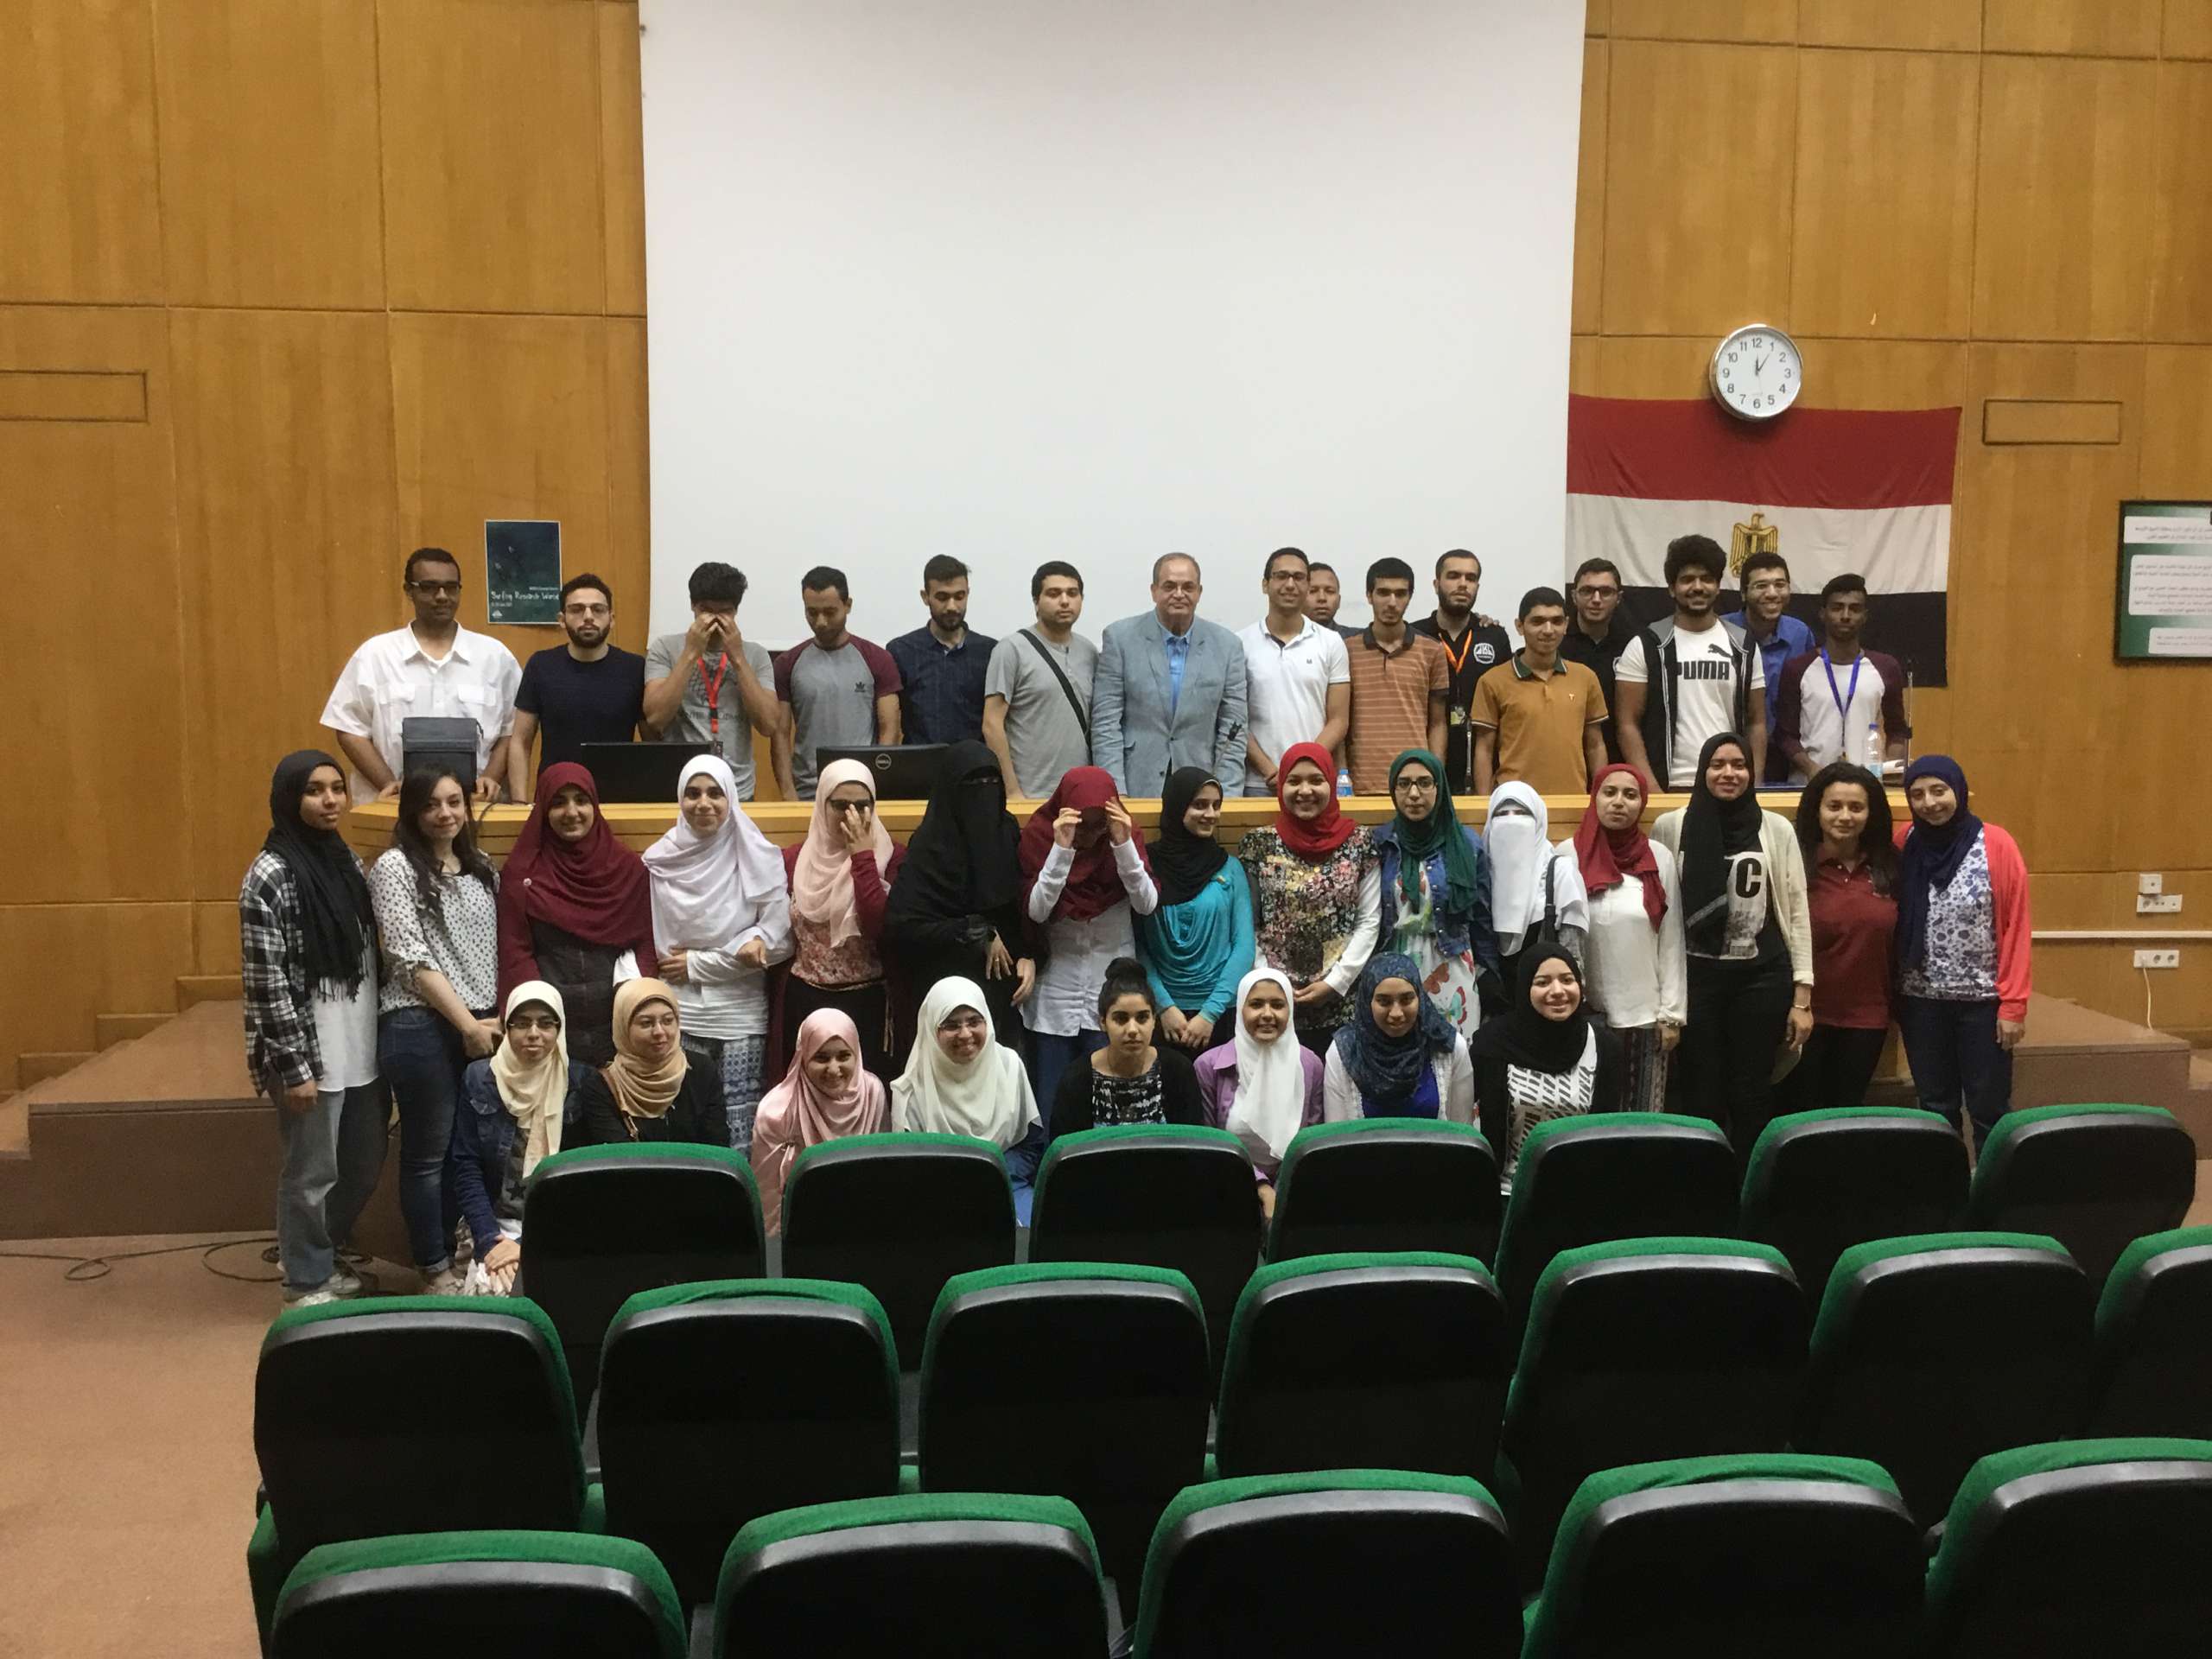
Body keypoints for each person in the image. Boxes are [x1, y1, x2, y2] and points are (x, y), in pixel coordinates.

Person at [241, 751, 390, 1306]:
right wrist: (292, 1067)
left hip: (360, 1044)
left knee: (364, 1162)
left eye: (336, 788)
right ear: (289, 798)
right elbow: (267, 981)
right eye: (314, 790)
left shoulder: (346, 859)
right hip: (309, 1051)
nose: (330, 800)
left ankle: (322, 1253)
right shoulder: (270, 874)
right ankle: (305, 1278)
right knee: (310, 1173)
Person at [368, 766, 501, 1291]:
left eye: (454, 802)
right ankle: (432, 1264)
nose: (445, 813)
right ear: (412, 812)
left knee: (463, 1151)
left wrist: (489, 1018)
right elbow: (410, 957)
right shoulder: (395, 867)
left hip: (478, 1023)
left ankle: (460, 1250)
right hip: (421, 1023)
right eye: (431, 804)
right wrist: (466, 1024)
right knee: (428, 1153)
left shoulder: (481, 866)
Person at [1649, 734, 1813, 1157]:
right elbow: (1661, 908)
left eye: (1739, 765)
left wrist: (1802, 996)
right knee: (1700, 1090)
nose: (1729, 773)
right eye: (1717, 764)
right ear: (1702, 771)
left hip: (1761, 978)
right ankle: (1707, 1181)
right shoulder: (1671, 826)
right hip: (1696, 980)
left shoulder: (1775, 828)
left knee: (1752, 1090)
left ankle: (1750, 1182)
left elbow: (1796, 911)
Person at [640, 756, 793, 1152]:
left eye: (715, 793)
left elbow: (779, 944)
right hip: (680, 1016)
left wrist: (698, 964)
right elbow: (665, 955)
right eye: (692, 793)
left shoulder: (760, 855)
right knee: (683, 1130)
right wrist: (739, 951)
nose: (703, 803)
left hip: (741, 1017)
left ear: (731, 799)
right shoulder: (660, 860)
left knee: (741, 1133)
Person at [1892, 756, 2031, 1148]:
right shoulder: (1904, 843)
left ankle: (1991, 1182)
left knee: (1989, 1107)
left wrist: (2013, 1006)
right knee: (1935, 1107)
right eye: (1918, 794)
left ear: (1959, 790)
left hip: (1982, 1003)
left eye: (1939, 791)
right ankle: (1946, 1182)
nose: (1929, 803)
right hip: (1921, 1001)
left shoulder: (1996, 844)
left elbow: (2016, 926)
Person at [321, 547, 520, 804]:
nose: (442, 596)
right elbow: (349, 728)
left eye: (451, 587)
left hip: (474, 807)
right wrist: (389, 784)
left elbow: (512, 730)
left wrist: (490, 778)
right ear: (409, 591)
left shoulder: (495, 656)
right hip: (393, 808)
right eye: (429, 587)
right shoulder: (375, 655)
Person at [1019, 766, 1160, 1122]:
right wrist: (1062, 849)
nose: (1091, 834)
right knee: (1052, 1104)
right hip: (1055, 992)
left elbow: (1146, 903)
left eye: (1100, 824)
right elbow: (1037, 910)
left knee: (1109, 1106)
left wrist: (1123, 846)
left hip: (1112, 993)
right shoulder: (1041, 835)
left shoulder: (1124, 835)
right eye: (1084, 824)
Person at [881, 741, 1037, 1060]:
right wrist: (976, 931)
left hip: (1000, 993)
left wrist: (1029, 956)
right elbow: (903, 925)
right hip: (944, 992)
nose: (983, 793)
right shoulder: (930, 847)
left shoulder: (1005, 831)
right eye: (973, 785)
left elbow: (1017, 908)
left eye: (991, 782)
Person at [496, 762, 658, 1066]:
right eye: (558, 802)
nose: (571, 812)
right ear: (543, 809)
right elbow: (515, 952)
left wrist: (636, 1009)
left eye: (581, 800)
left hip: (617, 1029)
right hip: (549, 1031)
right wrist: (537, 1023)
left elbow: (645, 943)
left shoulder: (627, 869)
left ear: (595, 805)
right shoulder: (523, 873)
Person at [448, 982, 592, 1296]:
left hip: (558, 1225)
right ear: (507, 1028)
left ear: (559, 1029)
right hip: (494, 1223)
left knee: (555, 1295)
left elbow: (583, 1183)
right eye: (522, 1023)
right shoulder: (480, 1078)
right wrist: (489, 1241)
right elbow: (466, 1167)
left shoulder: (580, 1082)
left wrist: (527, 1244)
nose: (534, 1033)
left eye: (545, 1023)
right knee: (493, 1295)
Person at [1239, 742, 1382, 1054]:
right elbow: (1248, 923)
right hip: (1273, 1005)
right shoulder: (1258, 844)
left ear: (1331, 783)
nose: (1305, 790)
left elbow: (1369, 921)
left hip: (1344, 999)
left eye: (1316, 780)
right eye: (1294, 781)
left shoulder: (1360, 842)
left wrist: (1336, 982)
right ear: (1281, 786)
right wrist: (1271, 982)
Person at [779, 758, 906, 1079]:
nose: (852, 815)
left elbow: (878, 925)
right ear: (822, 805)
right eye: (840, 805)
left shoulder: (893, 858)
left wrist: (862, 857)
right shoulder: (793, 859)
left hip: (868, 1002)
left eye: (863, 805)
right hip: (806, 998)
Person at [1572, 764, 1685, 1114]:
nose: (1619, 802)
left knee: (1643, 1116)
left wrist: (1672, 1014)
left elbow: (1671, 938)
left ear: (1642, 803)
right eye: (1609, 792)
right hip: (1585, 1012)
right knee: (1590, 1117)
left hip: (1646, 1015)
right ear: (1595, 797)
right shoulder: (1568, 855)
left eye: (1630, 795)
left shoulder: (1658, 857)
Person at [1614, 535, 1765, 792]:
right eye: (1687, 579)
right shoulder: (1646, 645)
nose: (1697, 587)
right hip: (1670, 785)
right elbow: (1627, 724)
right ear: (1672, 588)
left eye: (1706, 579)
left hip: (1728, 785)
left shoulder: (1744, 646)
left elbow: (1757, 723)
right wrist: (1652, 789)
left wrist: (1752, 784)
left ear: (1718, 586)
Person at [1787, 762, 1898, 1112]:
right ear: (1817, 810)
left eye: (1856, 807)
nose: (1845, 816)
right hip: (1804, 1017)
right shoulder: (1795, 865)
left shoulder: (1890, 866)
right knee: (1800, 1115)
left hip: (1868, 1018)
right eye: (1834, 806)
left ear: (1870, 814)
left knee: (1847, 1113)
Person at [1466, 946, 1624, 1191]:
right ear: (1524, 988)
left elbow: (1607, 1132)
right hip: (1506, 1190)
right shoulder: (1492, 1044)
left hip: (1581, 1188)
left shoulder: (1605, 1047)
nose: (1558, 991)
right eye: (1543, 982)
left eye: (1567, 980)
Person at [1091, 553, 1249, 796]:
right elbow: (1106, 723)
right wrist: (1114, 790)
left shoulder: (1227, 646)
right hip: (1135, 782)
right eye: (1169, 586)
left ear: (1199, 592)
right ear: (1154, 591)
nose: (1179, 594)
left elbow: (1233, 729)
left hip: (1201, 784)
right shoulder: (1120, 638)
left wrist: (1227, 794)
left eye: (1188, 587)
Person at [1371, 748, 1500, 1041]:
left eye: (1424, 783)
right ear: (1393, 790)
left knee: (1454, 1051)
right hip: (1393, 964)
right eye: (1404, 784)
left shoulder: (1466, 844)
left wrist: (1490, 974)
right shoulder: (1380, 843)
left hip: (1451, 961)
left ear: (1439, 787)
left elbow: (1481, 916)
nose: (1414, 794)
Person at [893, 976, 1045, 1219]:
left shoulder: (1009, 1066)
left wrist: (993, 1174)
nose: (965, 1034)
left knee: (1031, 1231)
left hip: (1007, 1184)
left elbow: (1031, 1146)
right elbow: (911, 1171)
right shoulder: (912, 1090)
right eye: (951, 1025)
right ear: (932, 1029)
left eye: (974, 1021)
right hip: (940, 1197)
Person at [643, 561, 785, 802]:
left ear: (736, 610)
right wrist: (691, 653)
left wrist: (737, 657)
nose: (715, 621)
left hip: (738, 791)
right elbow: (656, 718)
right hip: (683, 787)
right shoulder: (665, 648)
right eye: (706, 610)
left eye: (725, 612)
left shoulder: (755, 654)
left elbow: (769, 725)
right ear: (693, 606)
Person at [1136, 768, 1255, 1054]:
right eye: (1200, 805)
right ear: (1177, 806)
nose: (1211, 814)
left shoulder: (1230, 868)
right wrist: (1164, 1006)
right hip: (1161, 1015)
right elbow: (1137, 944)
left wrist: (1210, 1013)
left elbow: (1243, 946)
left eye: (1216, 805)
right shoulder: (1146, 867)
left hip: (1220, 1014)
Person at [1195, 967, 1325, 1213]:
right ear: (1240, 1010)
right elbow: (1211, 1143)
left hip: (1295, 1191)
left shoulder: (1309, 1065)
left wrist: (1281, 1190)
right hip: (1229, 1188)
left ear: (1290, 1010)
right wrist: (1261, 1186)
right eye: (1256, 1005)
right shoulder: (1209, 1066)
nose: (1267, 1014)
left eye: (1277, 1005)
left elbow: (1311, 1140)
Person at [751, 1007, 889, 1236]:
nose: (833, 1070)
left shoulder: (872, 1092)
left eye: (843, 1056)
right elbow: (768, 1202)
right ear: (803, 1057)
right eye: (821, 1058)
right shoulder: (777, 1111)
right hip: (800, 1229)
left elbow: (881, 1172)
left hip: (863, 1223)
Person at [507, 572, 645, 799]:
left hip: (617, 801)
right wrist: (519, 804)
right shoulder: (541, 665)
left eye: (598, 609)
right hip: (555, 800)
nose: (588, 617)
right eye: (577, 610)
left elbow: (650, 742)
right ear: (562, 619)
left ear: (612, 619)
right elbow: (520, 742)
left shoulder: (635, 668)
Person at [774, 566, 902, 799]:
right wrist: (788, 792)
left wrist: (877, 785)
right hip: (808, 791)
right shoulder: (787, 663)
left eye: (830, 612)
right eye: (812, 613)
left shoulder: (877, 659)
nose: (821, 622)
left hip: (861, 788)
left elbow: (889, 731)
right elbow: (780, 734)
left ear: (848, 605)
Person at [1773, 575, 1912, 782]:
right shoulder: (1797, 668)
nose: (1846, 615)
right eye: (1837, 608)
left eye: (1854, 609)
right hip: (1809, 783)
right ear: (1823, 614)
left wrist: (1891, 770)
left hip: (1866, 783)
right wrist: (1812, 769)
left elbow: (1897, 730)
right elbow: (1785, 735)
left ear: (1865, 616)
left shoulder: (1886, 667)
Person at [1471, 587, 1609, 796]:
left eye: (1556, 621)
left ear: (1566, 625)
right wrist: (1484, 805)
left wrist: (1600, 797)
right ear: (1520, 626)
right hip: (1514, 802)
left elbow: (1595, 745)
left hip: (1573, 801)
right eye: (1537, 621)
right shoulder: (1492, 681)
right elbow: (1484, 750)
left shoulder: (1585, 677)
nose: (1548, 630)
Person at [1238, 547, 1351, 796]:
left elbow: (1339, 720)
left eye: (1298, 577)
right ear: (1265, 584)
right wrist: (1269, 770)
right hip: (1259, 782)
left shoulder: (1331, 642)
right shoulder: (1240, 644)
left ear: (1307, 585)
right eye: (1281, 576)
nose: (1290, 584)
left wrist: (1304, 766)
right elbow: (1235, 719)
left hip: (1315, 780)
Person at [1051, 959, 1206, 1135]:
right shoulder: (1077, 1078)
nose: (1132, 1030)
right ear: (1103, 1022)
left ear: (1154, 1021)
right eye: (1121, 1019)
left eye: (1142, 1018)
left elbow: (1193, 1143)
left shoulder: (1178, 1070)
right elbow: (1064, 1148)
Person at [982, 561, 1096, 800]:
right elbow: (992, 724)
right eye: (1054, 594)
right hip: (1030, 793)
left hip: (1079, 791)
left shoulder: (1089, 652)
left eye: (1072, 593)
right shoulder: (1011, 649)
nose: (1064, 601)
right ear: (1036, 602)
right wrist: (1012, 790)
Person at [1322, 954, 1476, 1123]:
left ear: (1420, 998)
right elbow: (1337, 1134)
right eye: (1384, 1002)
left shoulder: (1448, 1046)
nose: (1396, 1013)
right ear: (1367, 1001)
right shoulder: (1344, 1051)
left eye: (1406, 1000)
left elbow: (1461, 1131)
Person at [575, 978, 727, 1146]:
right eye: (646, 1023)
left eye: (668, 1021)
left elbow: (718, 1147)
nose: (659, 1032)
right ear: (623, 1027)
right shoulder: (600, 1087)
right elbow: (620, 1156)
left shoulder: (702, 1070)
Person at [1344, 557, 1450, 795]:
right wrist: (1342, 776)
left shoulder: (1432, 650)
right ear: (1369, 595)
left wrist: (1435, 776)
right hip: (1361, 784)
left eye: (1400, 594)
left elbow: (1438, 723)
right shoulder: (1346, 649)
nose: (1392, 602)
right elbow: (1340, 721)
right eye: (1383, 593)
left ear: (1410, 597)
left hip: (1415, 786)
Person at [1411, 549, 1512, 791]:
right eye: (1454, 576)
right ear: (1436, 584)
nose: (1463, 584)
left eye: (1471, 578)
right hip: (1427, 757)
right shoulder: (1415, 636)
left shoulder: (1494, 636)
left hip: (1484, 761)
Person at [1484, 781, 1589, 991]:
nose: (1511, 820)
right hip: (1493, 1001)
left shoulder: (1561, 872)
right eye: (1501, 814)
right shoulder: (1480, 872)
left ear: (1539, 820)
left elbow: (1572, 957)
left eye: (1522, 813)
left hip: (1549, 998)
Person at [888, 555, 996, 747]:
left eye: (959, 596)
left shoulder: (990, 652)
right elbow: (892, 722)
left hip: (975, 763)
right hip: (921, 762)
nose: (952, 606)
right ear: (925, 597)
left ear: (968, 593)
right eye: (942, 597)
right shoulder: (901, 651)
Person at [1733, 550, 1817, 781]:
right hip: (1734, 748)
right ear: (1743, 594)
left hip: (1788, 753)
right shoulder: (1723, 632)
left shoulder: (1800, 633)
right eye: (1761, 586)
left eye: (1780, 585)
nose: (1772, 593)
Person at [1560, 556, 1632, 764]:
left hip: (1619, 760)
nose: (1597, 599)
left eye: (1606, 592)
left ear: (1618, 598)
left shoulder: (1633, 645)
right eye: (1587, 591)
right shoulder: (1556, 643)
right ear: (1574, 596)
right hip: (1566, 757)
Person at [1303, 562, 1360, 639]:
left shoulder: (1358, 640)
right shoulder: (1287, 641)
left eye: (1330, 591)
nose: (1322, 598)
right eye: (1313, 591)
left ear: (1339, 601)